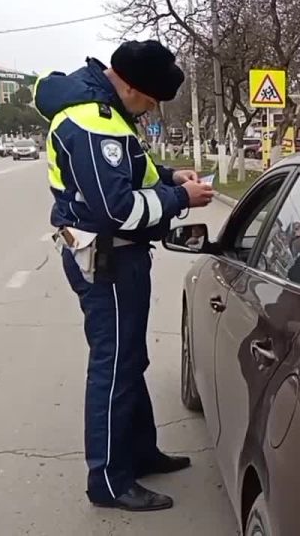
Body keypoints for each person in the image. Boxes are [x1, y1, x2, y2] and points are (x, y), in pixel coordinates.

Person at [34, 40, 215, 512]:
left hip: (119, 258)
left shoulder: (109, 114)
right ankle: (110, 481)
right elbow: (116, 209)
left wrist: (170, 177)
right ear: (131, 87)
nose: (150, 109)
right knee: (114, 368)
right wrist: (182, 200)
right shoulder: (93, 122)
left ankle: (139, 453)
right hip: (107, 259)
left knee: (130, 361)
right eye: (150, 101)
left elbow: (132, 172)